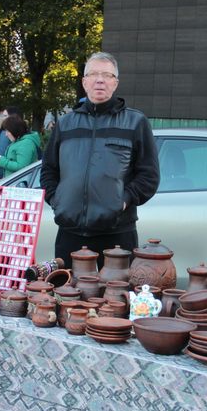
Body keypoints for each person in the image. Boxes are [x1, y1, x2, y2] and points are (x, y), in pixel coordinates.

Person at [40, 52, 159, 269]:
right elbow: (48, 170)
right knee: (66, 295)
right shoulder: (66, 124)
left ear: (115, 83)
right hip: (70, 232)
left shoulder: (135, 122)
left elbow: (149, 176)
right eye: (93, 74)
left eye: (107, 75)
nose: (100, 80)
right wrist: (58, 200)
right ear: (84, 82)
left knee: (115, 299)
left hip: (117, 233)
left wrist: (122, 201)